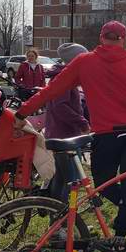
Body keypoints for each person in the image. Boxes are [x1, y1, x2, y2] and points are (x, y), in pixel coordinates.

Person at [13, 21, 126, 246]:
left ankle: (124, 236)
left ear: (101, 38)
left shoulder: (84, 62)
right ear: (123, 40)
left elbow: (51, 90)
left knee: (103, 183)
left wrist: (22, 113)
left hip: (106, 134)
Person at [44, 43, 91, 201]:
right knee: (72, 180)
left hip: (60, 133)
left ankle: (57, 214)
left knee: (61, 178)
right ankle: (66, 219)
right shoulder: (64, 78)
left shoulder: (64, 76)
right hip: (64, 136)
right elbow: (61, 107)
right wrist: (82, 123)